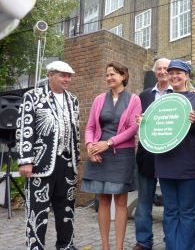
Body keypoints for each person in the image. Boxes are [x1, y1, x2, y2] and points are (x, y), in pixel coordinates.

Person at [154, 59, 195, 250]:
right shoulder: (163, 101)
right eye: (171, 72)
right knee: (170, 211)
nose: (174, 76)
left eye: (178, 72)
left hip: (190, 165)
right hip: (166, 164)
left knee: (187, 211)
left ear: (186, 76)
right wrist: (145, 123)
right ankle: (172, 247)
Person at [16, 61, 80, 250]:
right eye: (62, 75)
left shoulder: (73, 99)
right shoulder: (33, 96)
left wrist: (76, 160)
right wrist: (26, 160)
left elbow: (76, 131)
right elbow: (25, 128)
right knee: (37, 210)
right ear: (50, 75)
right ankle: (35, 247)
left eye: (69, 76)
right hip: (40, 163)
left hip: (67, 163)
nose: (67, 79)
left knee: (66, 208)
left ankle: (66, 245)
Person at [81, 61, 141, 250]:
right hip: (99, 156)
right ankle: (106, 247)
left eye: (113, 74)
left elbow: (133, 128)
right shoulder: (99, 99)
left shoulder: (134, 100)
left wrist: (108, 143)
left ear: (123, 76)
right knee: (103, 201)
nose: (109, 78)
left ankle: (119, 247)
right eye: (107, 75)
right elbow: (90, 127)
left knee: (121, 202)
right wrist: (90, 147)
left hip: (121, 155)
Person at [134, 58, 171, 250]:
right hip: (147, 155)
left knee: (170, 204)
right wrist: (138, 121)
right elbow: (136, 121)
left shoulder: (179, 94)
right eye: (159, 68)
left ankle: (169, 240)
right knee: (144, 202)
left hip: (171, 156)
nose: (163, 71)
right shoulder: (144, 96)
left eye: (166, 68)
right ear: (155, 71)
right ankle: (143, 241)